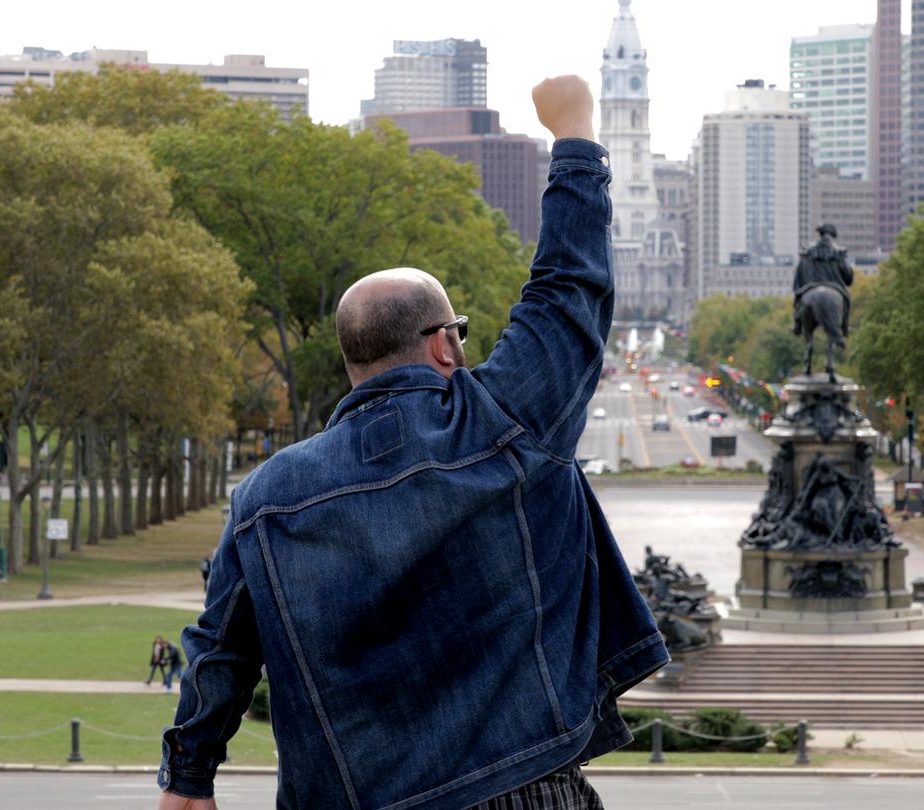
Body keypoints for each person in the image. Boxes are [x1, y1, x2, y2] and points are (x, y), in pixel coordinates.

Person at [157, 75, 667, 810]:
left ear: (352, 360)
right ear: (442, 347)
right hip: (522, 789)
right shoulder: (503, 418)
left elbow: (221, 650)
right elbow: (569, 288)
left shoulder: (267, 496)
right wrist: (575, 134)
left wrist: (189, 778)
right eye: (457, 333)